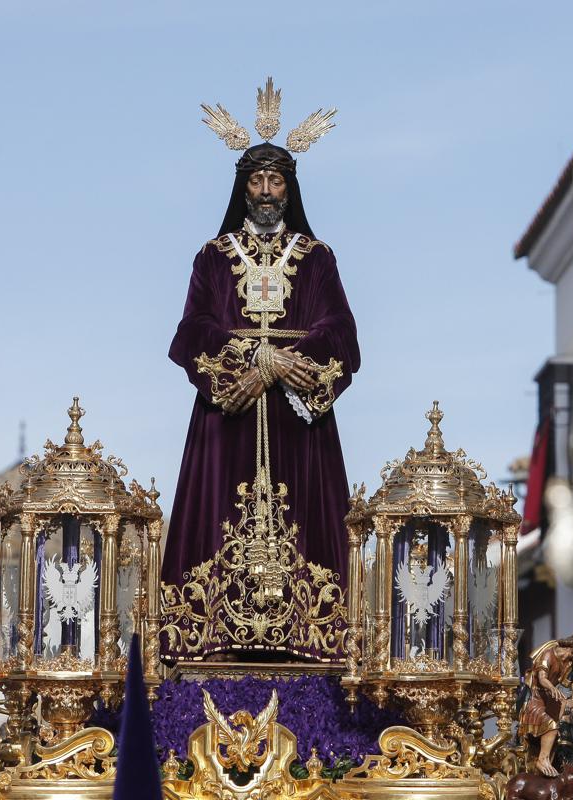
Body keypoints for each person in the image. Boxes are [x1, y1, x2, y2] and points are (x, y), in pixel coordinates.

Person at [161, 82, 359, 661]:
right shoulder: (213, 256)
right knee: (218, 515)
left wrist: (282, 365)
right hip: (230, 414)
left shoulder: (317, 256)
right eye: (257, 180)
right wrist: (250, 357)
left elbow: (341, 329)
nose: (267, 191)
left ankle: (313, 641)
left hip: (298, 421)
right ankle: (208, 642)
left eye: (276, 181)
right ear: (243, 187)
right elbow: (191, 329)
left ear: (289, 188)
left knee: (307, 524)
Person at [518, 626, 573, 778]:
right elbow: (542, 678)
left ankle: (551, 758)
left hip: (549, 698)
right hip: (535, 698)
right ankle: (542, 760)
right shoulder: (549, 654)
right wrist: (552, 688)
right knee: (552, 724)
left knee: (560, 727)